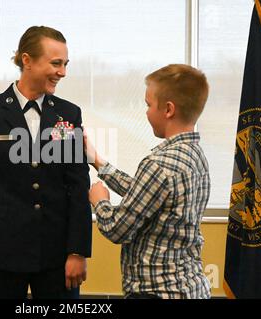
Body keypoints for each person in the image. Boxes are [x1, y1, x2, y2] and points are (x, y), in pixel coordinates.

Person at [0, 26, 92, 299]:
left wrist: (77, 251)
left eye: (65, 64)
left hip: (56, 254)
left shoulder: (68, 114)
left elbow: (78, 187)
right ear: (27, 60)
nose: (62, 72)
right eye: (56, 63)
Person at [85, 64, 211, 299]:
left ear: (168, 109)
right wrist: (99, 163)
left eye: (148, 104)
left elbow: (117, 229)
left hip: (157, 292)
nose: (145, 112)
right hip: (190, 288)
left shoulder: (159, 164)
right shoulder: (195, 155)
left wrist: (100, 201)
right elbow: (146, 194)